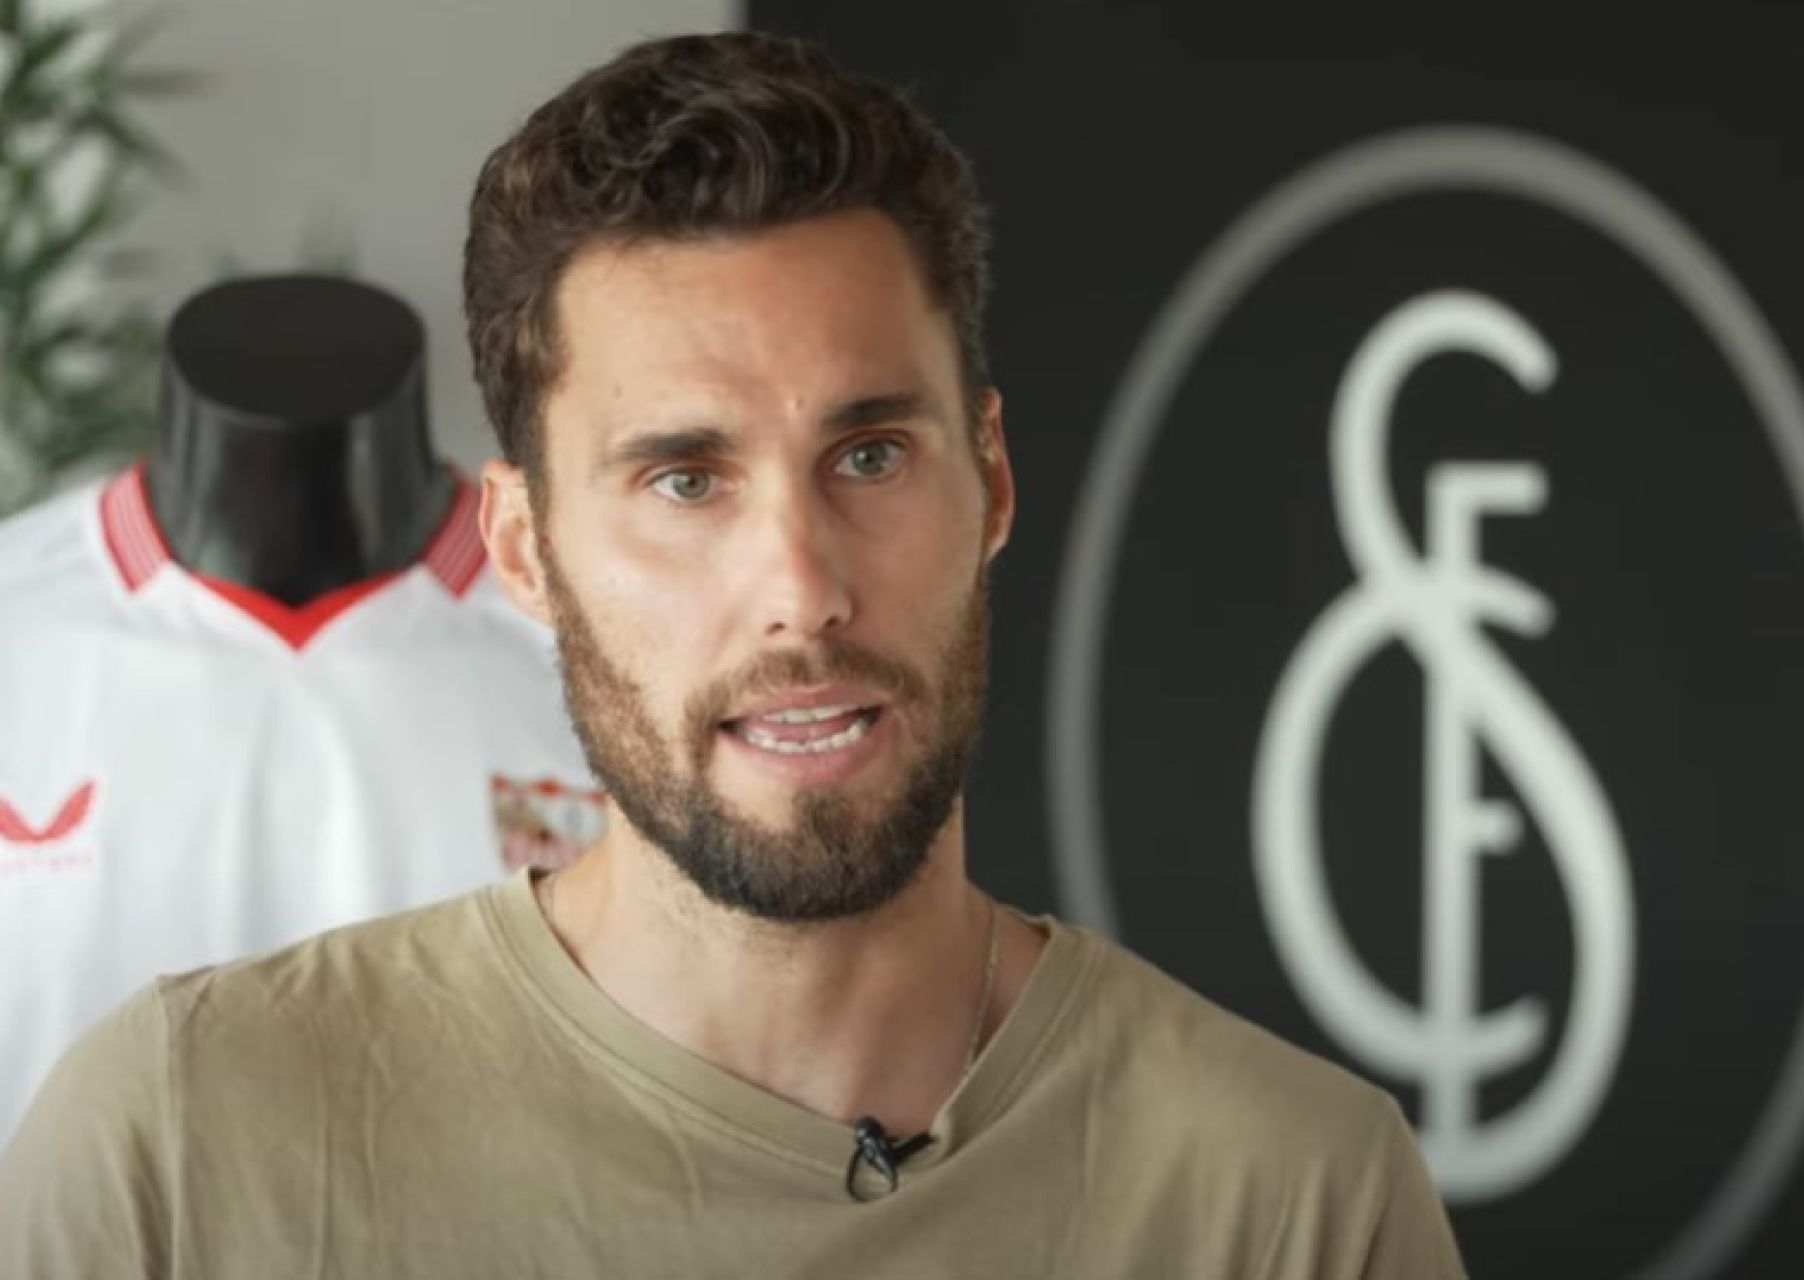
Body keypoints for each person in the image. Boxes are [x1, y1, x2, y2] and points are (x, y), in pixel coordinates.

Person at [0, 31, 1466, 1277]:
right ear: (525, 550)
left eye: (870, 455)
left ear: (994, 480)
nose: (802, 592)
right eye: (687, 480)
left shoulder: (1287, 1199)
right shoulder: (183, 1148)